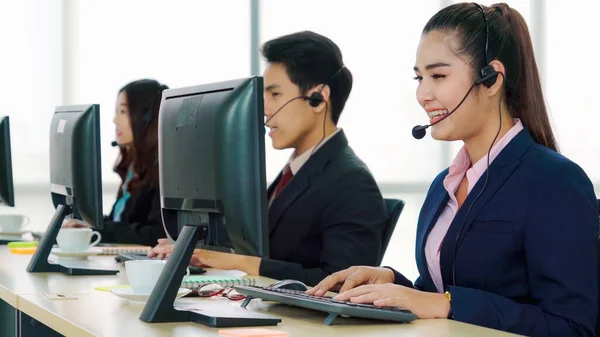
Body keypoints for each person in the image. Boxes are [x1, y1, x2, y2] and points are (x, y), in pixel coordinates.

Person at [308, 3, 598, 337]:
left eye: (438, 76)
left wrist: (446, 303)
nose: (422, 93)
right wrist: (392, 282)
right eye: (419, 77)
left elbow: (573, 327)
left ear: (490, 79)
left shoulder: (555, 182)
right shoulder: (442, 186)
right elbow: (443, 289)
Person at [150, 31, 388, 286]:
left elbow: (341, 282)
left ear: (318, 99)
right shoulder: (296, 172)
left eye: (275, 95)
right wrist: (203, 252)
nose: (263, 109)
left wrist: (243, 263)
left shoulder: (351, 182)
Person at [65, 79, 174, 246]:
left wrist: (101, 230)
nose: (115, 120)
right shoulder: (134, 166)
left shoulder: (162, 169)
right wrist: (89, 224)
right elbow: (121, 222)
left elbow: (157, 233)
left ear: (146, 118)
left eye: (123, 111)